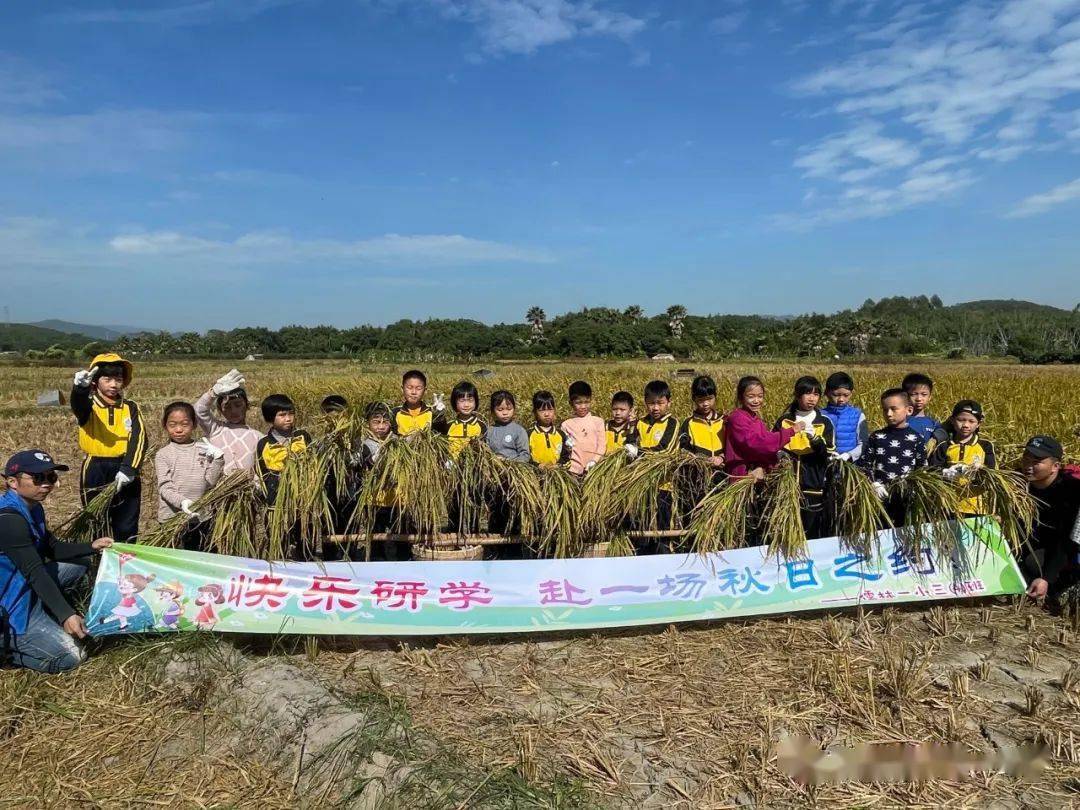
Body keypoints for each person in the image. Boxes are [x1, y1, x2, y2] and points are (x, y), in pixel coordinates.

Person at [1, 450, 113, 673]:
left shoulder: (33, 508)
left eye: (51, 477)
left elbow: (51, 548)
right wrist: (66, 614)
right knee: (73, 658)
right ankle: (8, 650)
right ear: (13, 482)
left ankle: (47, 609)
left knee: (79, 566)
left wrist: (90, 546)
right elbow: (35, 572)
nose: (47, 485)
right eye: (38, 478)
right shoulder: (9, 521)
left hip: (27, 586)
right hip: (12, 605)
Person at [70, 353, 147, 542]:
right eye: (108, 379)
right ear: (96, 382)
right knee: (96, 519)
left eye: (118, 379)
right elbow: (78, 405)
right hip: (96, 468)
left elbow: (140, 438)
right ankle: (98, 563)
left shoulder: (131, 407)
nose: (114, 384)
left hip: (125, 468)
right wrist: (80, 389)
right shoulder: (89, 406)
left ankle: (125, 561)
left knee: (127, 522)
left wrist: (129, 469)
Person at [154, 402, 225, 552]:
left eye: (185, 424)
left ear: (194, 425)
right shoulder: (163, 454)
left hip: (201, 516)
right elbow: (164, 487)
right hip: (172, 517)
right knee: (176, 559)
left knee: (201, 555)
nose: (179, 430)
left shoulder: (203, 449)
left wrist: (218, 459)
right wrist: (183, 502)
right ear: (165, 425)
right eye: (173, 425)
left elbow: (210, 482)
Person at [1019, 436, 1080, 603]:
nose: (1028, 466)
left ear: (1055, 467)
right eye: (1026, 458)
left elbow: (1066, 539)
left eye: (1036, 462)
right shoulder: (1016, 486)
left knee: (1034, 563)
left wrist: (1046, 577)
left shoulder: (1072, 491)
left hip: (1068, 549)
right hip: (1036, 544)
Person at [774, 376, 835, 539]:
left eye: (816, 394)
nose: (812, 398)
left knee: (812, 532)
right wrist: (780, 455)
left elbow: (827, 453)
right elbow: (774, 445)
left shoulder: (824, 422)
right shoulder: (784, 421)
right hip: (787, 487)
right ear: (797, 395)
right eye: (807, 393)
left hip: (813, 486)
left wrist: (815, 439)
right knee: (787, 533)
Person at [857, 388, 926, 526]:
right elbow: (865, 464)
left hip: (907, 498)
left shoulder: (916, 438)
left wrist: (915, 488)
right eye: (885, 409)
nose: (888, 414)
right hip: (880, 498)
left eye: (894, 409)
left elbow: (922, 467)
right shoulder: (877, 437)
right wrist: (873, 484)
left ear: (909, 410)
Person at [626, 380, 681, 551]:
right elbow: (629, 448)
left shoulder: (672, 423)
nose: (655, 408)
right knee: (641, 532)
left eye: (660, 403)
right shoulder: (640, 423)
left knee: (662, 533)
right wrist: (631, 427)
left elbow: (665, 451)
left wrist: (638, 453)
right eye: (651, 403)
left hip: (663, 488)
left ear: (668, 403)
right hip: (641, 489)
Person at [723, 376, 805, 480]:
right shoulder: (737, 418)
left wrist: (762, 466)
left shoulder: (758, 420)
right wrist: (790, 431)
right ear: (741, 397)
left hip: (756, 475)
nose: (756, 401)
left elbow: (765, 444)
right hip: (741, 475)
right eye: (751, 396)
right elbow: (757, 443)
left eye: (760, 396)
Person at [358, 402, 408, 562]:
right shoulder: (364, 443)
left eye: (385, 422)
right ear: (368, 423)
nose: (381, 426)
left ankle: (404, 559)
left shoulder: (398, 441)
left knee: (401, 531)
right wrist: (371, 460)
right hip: (374, 498)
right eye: (376, 422)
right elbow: (363, 463)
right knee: (376, 532)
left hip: (398, 497)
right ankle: (376, 560)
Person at [928, 400, 995, 515]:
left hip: (976, 509)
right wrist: (946, 473)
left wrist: (976, 473)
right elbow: (932, 471)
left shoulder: (985, 446)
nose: (965, 425)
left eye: (971, 421)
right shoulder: (944, 446)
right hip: (947, 507)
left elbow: (991, 474)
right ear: (953, 421)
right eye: (961, 420)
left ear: (978, 424)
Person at [485, 390, 530, 556]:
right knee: (495, 513)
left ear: (514, 409)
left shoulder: (519, 431)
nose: (504, 412)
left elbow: (525, 455)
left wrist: (508, 464)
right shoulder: (489, 431)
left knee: (514, 514)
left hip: (515, 482)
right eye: (500, 409)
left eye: (508, 408)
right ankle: (494, 551)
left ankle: (514, 552)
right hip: (495, 482)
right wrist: (493, 463)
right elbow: (485, 455)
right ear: (492, 411)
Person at [194, 369, 262, 475]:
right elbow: (199, 410)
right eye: (227, 406)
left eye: (238, 405)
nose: (233, 411)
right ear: (220, 410)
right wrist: (213, 392)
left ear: (247, 405)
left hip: (247, 488)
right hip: (219, 486)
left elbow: (261, 469)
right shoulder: (216, 429)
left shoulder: (258, 437)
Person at [255, 394, 312, 506]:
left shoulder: (302, 437)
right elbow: (263, 474)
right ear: (270, 418)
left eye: (291, 413)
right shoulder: (264, 444)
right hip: (277, 501)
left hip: (304, 498)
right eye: (282, 415)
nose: (288, 419)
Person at [561, 380, 606, 476]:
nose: (583, 406)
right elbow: (565, 450)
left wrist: (594, 461)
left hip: (595, 469)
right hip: (573, 471)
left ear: (591, 401)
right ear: (571, 403)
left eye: (586, 402)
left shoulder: (598, 422)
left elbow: (602, 446)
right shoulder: (566, 425)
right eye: (578, 403)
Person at [821, 371, 868, 461]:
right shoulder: (820, 415)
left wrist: (848, 455)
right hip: (825, 464)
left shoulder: (858, 415)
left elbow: (863, 443)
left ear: (851, 393)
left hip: (850, 464)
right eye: (836, 395)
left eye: (846, 395)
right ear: (827, 392)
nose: (841, 399)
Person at [392, 369, 446, 435]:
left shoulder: (432, 412)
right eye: (409, 387)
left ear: (425, 391)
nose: (414, 392)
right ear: (402, 389)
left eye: (418, 388)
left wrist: (439, 417)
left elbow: (441, 434)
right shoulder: (394, 413)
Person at [527, 391, 572, 467]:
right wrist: (538, 465)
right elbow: (525, 456)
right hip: (535, 476)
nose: (547, 414)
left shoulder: (561, 434)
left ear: (554, 410)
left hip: (557, 474)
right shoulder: (528, 435)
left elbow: (566, 456)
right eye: (542, 410)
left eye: (550, 409)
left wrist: (558, 465)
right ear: (534, 412)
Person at [902, 372, 942, 447]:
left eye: (924, 394)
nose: (919, 399)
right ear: (904, 396)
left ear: (930, 397)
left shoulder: (934, 424)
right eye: (914, 394)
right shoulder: (899, 421)